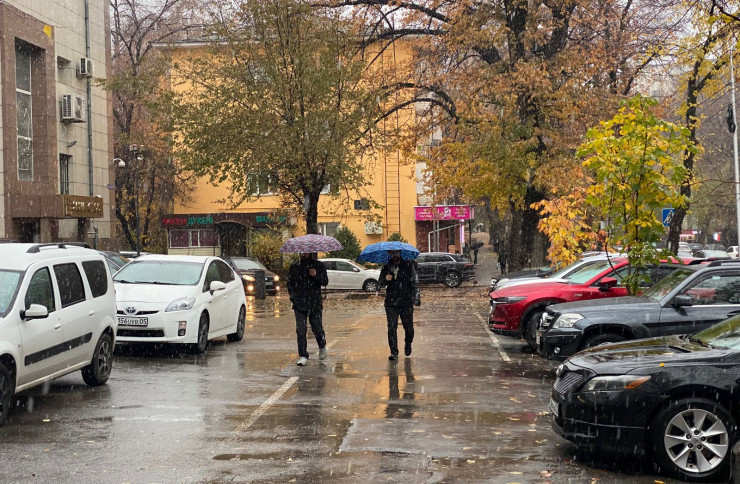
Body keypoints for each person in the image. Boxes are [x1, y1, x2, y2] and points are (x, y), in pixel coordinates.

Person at [287, 252, 329, 366]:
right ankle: (303, 355)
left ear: (309, 252)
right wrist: (293, 297)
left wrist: (315, 275)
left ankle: (322, 345)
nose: (303, 254)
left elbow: (325, 281)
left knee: (317, 328)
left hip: (314, 303)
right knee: (301, 329)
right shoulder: (295, 266)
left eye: (305, 252)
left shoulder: (318, 265)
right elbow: (290, 283)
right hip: (299, 303)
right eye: (301, 252)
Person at [379, 250, 421, 361]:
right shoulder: (386, 267)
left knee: (409, 328)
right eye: (392, 253)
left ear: (400, 253)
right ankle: (394, 352)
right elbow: (380, 284)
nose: (394, 256)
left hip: (406, 301)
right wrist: (385, 280)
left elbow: (415, 282)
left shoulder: (409, 266)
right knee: (391, 327)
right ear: (389, 254)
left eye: (396, 253)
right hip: (391, 302)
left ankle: (408, 343)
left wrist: (417, 297)